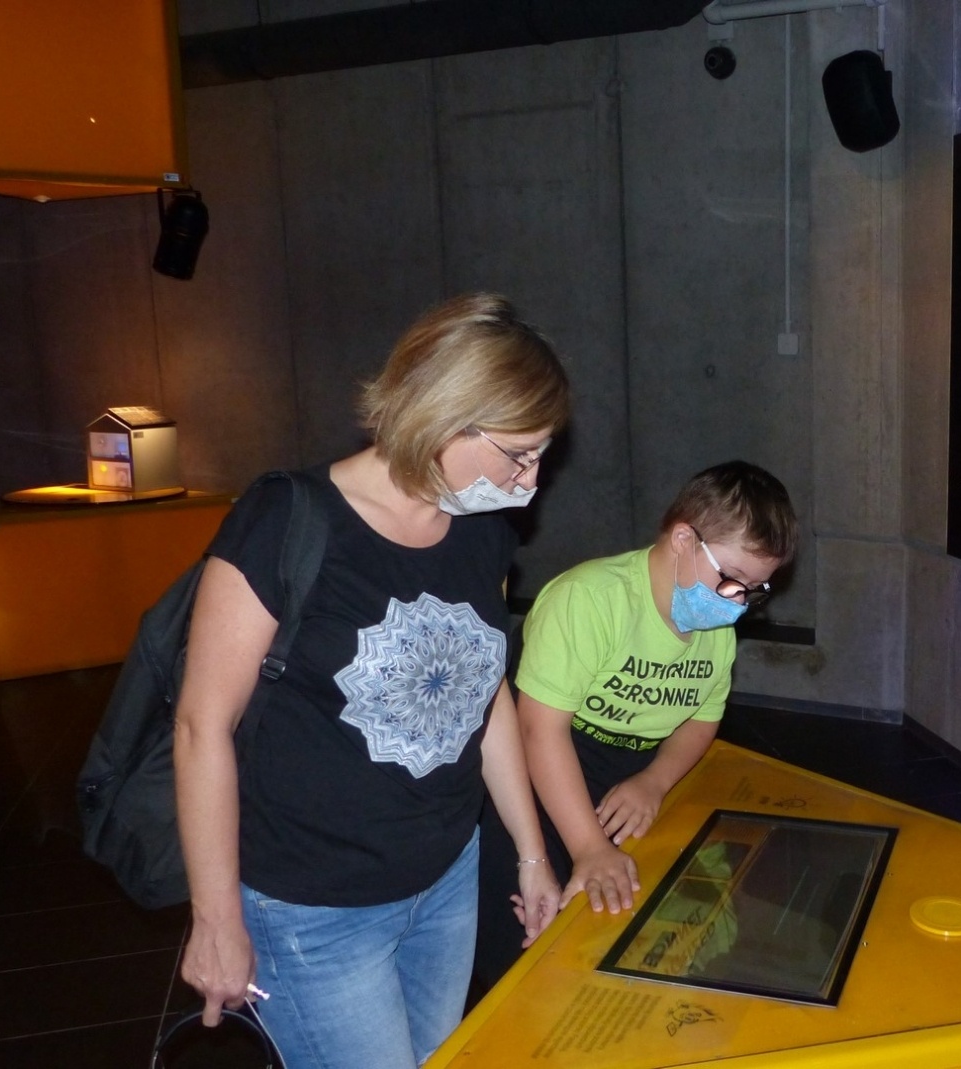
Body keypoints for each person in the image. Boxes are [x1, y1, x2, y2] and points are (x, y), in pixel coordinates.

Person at [173, 293, 569, 1069]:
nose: (529, 481)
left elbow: (484, 696)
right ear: (443, 416)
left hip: (445, 879)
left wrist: (529, 850)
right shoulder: (286, 517)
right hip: (313, 907)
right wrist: (216, 917)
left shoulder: (481, 529)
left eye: (542, 454)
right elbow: (201, 726)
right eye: (517, 454)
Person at [472, 460, 797, 990]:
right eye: (733, 580)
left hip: (631, 776)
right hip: (539, 776)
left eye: (756, 590)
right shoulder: (590, 600)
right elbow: (538, 731)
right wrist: (588, 848)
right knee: (523, 952)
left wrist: (655, 780)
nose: (739, 603)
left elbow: (699, 720)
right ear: (684, 539)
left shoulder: (715, 627)